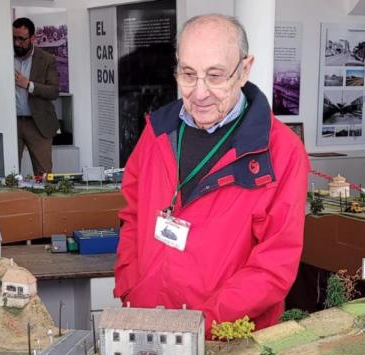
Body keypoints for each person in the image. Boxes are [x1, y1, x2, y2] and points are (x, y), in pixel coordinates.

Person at [113, 14, 309, 336]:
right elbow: (132, 215)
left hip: (228, 339)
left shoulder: (282, 153)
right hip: (148, 322)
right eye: (188, 74)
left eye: (215, 76)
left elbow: (275, 264)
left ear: (244, 70)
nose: (199, 93)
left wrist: (203, 325)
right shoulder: (157, 132)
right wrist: (131, 287)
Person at [13, 17, 60, 176]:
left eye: (22, 39)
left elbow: (54, 91)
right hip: (12, 124)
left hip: (38, 124)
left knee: (45, 174)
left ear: (33, 38)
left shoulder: (47, 59)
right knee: (10, 173)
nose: (17, 43)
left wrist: (28, 85)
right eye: (14, 38)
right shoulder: (4, 57)